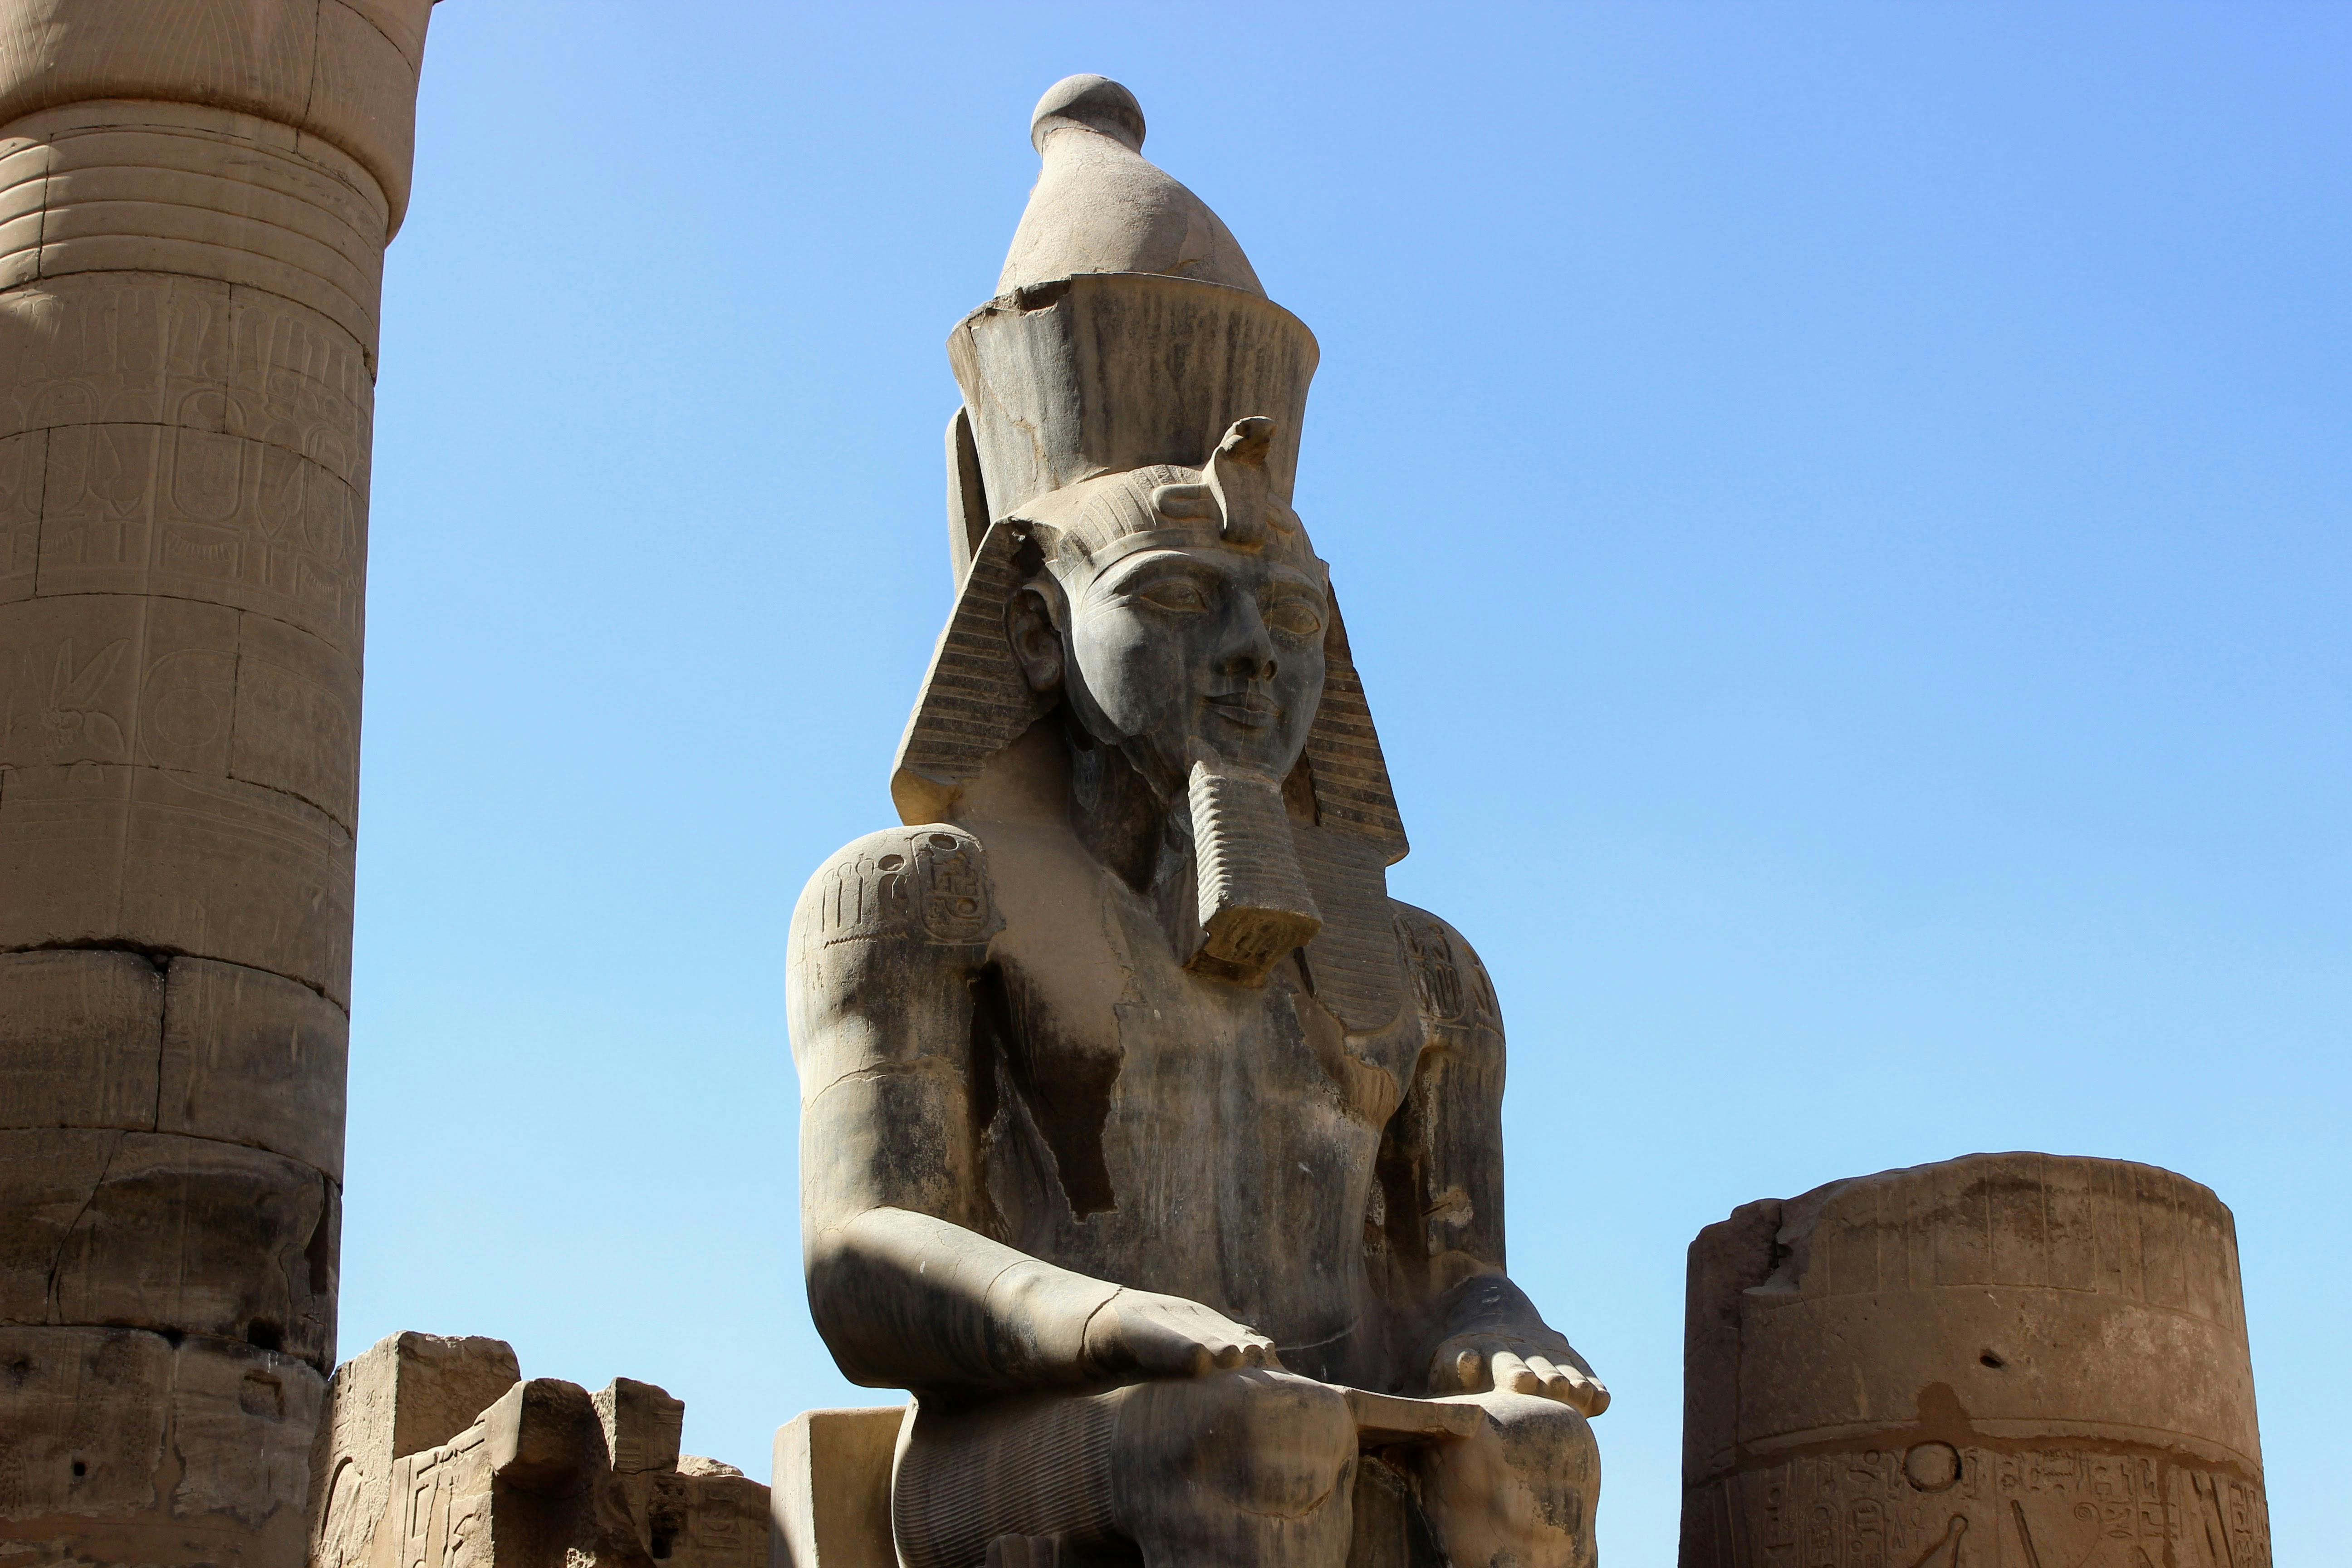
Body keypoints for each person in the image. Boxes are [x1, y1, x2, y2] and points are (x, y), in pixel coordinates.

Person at [788, 75, 1606, 1568]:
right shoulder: (919, 897)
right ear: (1035, 629)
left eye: (1287, 617)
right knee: (1257, 1435)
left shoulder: (1430, 975)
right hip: (1026, 1435)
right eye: (1174, 598)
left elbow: (1453, 1271)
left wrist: (1501, 1329)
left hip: (1289, 1400)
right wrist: (1103, 1321)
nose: (1250, 660)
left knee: (1537, 1457)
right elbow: (860, 1259)